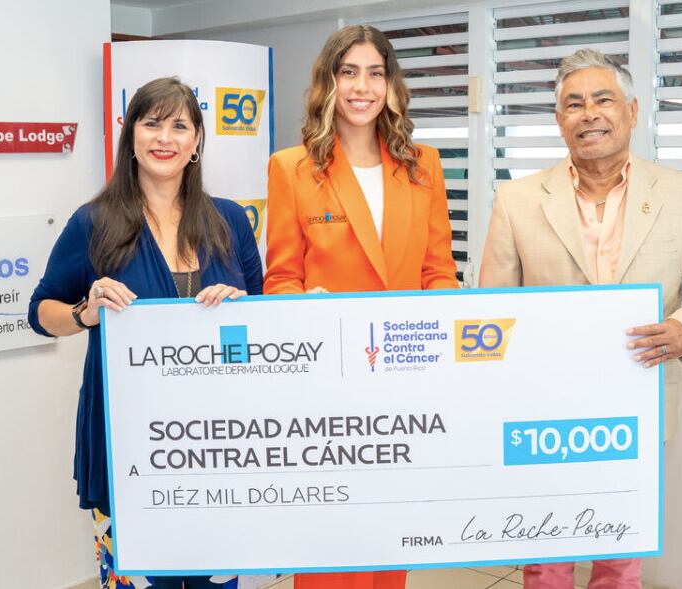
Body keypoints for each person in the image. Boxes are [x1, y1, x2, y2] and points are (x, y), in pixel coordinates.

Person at [479, 49, 682, 589]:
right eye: (574, 104)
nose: (589, 114)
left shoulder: (679, 193)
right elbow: (492, 310)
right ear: (559, 120)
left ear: (632, 111)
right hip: (544, 407)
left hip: (636, 401)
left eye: (603, 99)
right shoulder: (517, 199)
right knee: (546, 552)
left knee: (621, 556)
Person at [28, 77, 263, 589]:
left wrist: (241, 311)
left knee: (216, 580)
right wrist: (85, 311)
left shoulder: (229, 221)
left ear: (196, 141)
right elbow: (40, 312)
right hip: (129, 445)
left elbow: (260, 324)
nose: (165, 138)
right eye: (152, 123)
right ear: (130, 133)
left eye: (179, 126)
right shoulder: (94, 222)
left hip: (218, 443)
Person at [264, 24, 458, 589]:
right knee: (334, 546)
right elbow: (281, 279)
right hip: (330, 383)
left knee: (390, 540)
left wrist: (443, 342)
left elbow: (438, 273)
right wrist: (307, 312)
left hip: (405, 377)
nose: (362, 87)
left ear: (391, 85)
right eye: (348, 72)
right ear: (327, 83)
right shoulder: (291, 168)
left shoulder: (424, 165)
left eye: (375, 73)